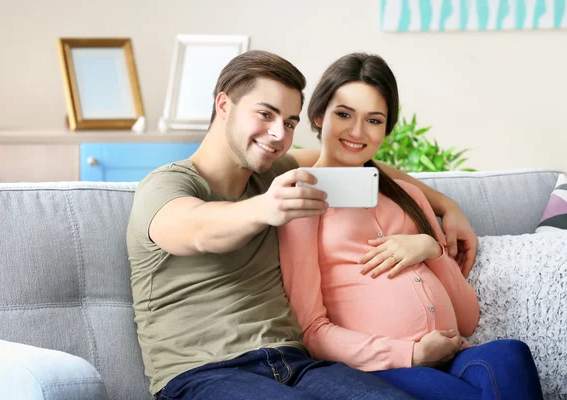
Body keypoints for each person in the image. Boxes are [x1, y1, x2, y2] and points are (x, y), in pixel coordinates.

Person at [126, 50, 475, 399]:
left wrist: (446, 204)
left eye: (290, 122)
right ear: (223, 105)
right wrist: (266, 207)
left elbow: (361, 161)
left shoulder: (273, 170)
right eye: (265, 114)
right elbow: (196, 230)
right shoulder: (166, 185)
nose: (278, 134)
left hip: (296, 364)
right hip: (204, 374)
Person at [278, 52, 544, 400]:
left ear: (386, 129)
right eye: (344, 114)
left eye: (374, 120)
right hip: (382, 369)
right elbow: (311, 331)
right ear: (318, 115)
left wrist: (429, 248)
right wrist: (412, 354)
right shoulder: (302, 201)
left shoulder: (408, 195)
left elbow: (467, 319)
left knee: (510, 354)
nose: (357, 132)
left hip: (453, 355)